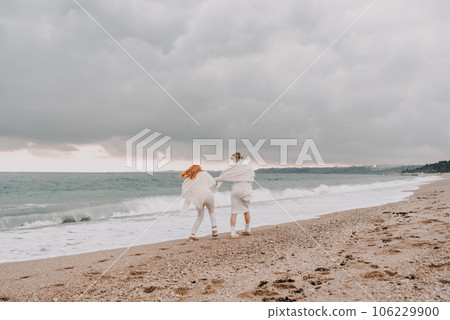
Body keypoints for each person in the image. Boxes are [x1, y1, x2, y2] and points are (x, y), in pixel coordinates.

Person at [214, 152, 255, 238]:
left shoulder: (233, 167)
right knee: (246, 209)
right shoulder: (249, 166)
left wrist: (216, 179)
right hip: (245, 189)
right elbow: (252, 176)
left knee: (234, 211)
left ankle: (233, 232)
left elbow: (225, 175)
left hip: (236, 189)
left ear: (235, 159)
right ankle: (247, 229)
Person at [180, 165, 218, 241]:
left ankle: (192, 235)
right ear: (199, 169)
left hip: (199, 198)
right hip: (208, 195)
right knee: (212, 212)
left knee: (200, 216)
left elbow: (185, 187)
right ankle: (214, 230)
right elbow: (213, 182)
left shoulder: (191, 177)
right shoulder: (204, 173)